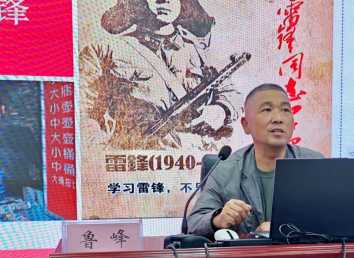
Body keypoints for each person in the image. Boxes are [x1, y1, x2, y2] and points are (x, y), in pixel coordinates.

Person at [79, 0, 240, 150]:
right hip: (141, 159)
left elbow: (232, 93)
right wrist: (108, 152)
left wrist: (220, 110)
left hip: (197, 156)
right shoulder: (104, 52)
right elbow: (82, 115)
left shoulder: (199, 51)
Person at [187, 84, 324, 237]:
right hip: (245, 253)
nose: (278, 118)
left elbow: (334, 220)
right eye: (267, 110)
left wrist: (282, 228)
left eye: (285, 110)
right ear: (246, 125)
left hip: (302, 253)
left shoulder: (316, 165)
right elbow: (194, 222)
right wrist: (218, 219)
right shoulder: (225, 171)